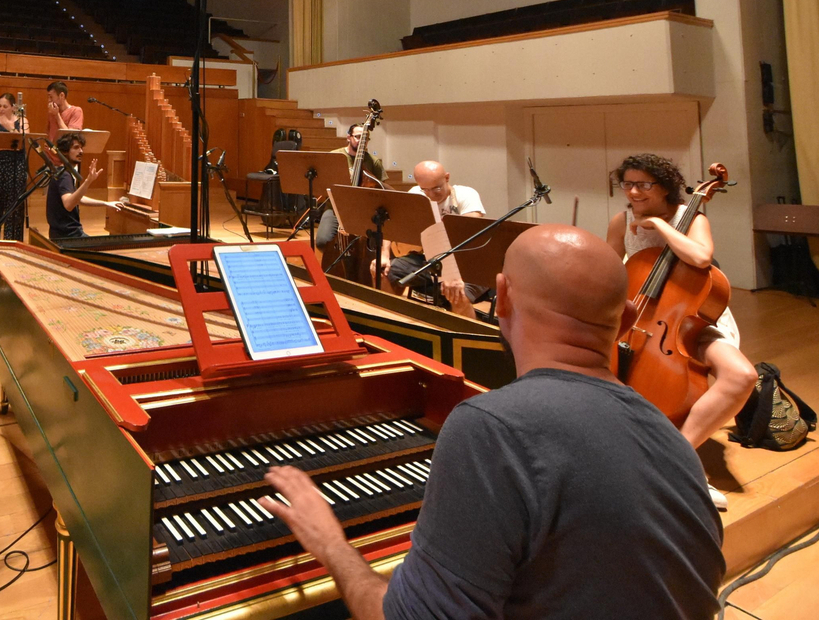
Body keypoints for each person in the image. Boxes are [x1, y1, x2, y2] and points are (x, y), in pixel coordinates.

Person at [263, 225, 724, 620]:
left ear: (501, 297)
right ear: (626, 320)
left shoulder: (493, 428)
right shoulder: (671, 435)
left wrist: (331, 543)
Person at [607, 152, 756, 509]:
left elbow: (701, 258)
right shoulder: (621, 221)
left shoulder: (691, 217)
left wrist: (659, 227)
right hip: (637, 321)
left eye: (644, 184)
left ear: (665, 187)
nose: (634, 192)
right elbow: (610, 271)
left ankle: (677, 457)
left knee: (742, 376)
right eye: (628, 184)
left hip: (690, 320)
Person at [385, 160, 488, 312]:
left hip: (466, 260)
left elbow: (467, 235)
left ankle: (461, 327)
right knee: (386, 271)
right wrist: (383, 255)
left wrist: (450, 273)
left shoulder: (466, 195)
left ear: (447, 177)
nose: (431, 195)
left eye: (436, 188)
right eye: (425, 189)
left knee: (457, 292)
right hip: (431, 258)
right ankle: (393, 318)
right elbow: (391, 224)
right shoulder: (416, 194)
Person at [314, 122, 386, 256]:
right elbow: (323, 182)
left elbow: (382, 189)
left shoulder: (373, 162)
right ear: (349, 137)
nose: (362, 141)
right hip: (335, 208)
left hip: (362, 211)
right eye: (358, 137)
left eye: (365, 138)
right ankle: (336, 263)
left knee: (366, 244)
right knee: (322, 241)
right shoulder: (334, 156)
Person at [45, 132, 123, 240]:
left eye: (81, 148)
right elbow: (68, 204)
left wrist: (105, 203)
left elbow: (77, 198)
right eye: (76, 148)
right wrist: (88, 181)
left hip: (61, 235)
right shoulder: (64, 175)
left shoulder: (62, 172)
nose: (81, 151)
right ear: (65, 151)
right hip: (69, 237)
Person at [0, 92, 30, 240]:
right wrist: (10, 144)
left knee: (14, 205)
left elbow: (23, 144)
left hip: (16, 165)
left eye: (5, 106)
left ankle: (13, 240)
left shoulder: (22, 121)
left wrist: (9, 128)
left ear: (13, 107)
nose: (1, 109)